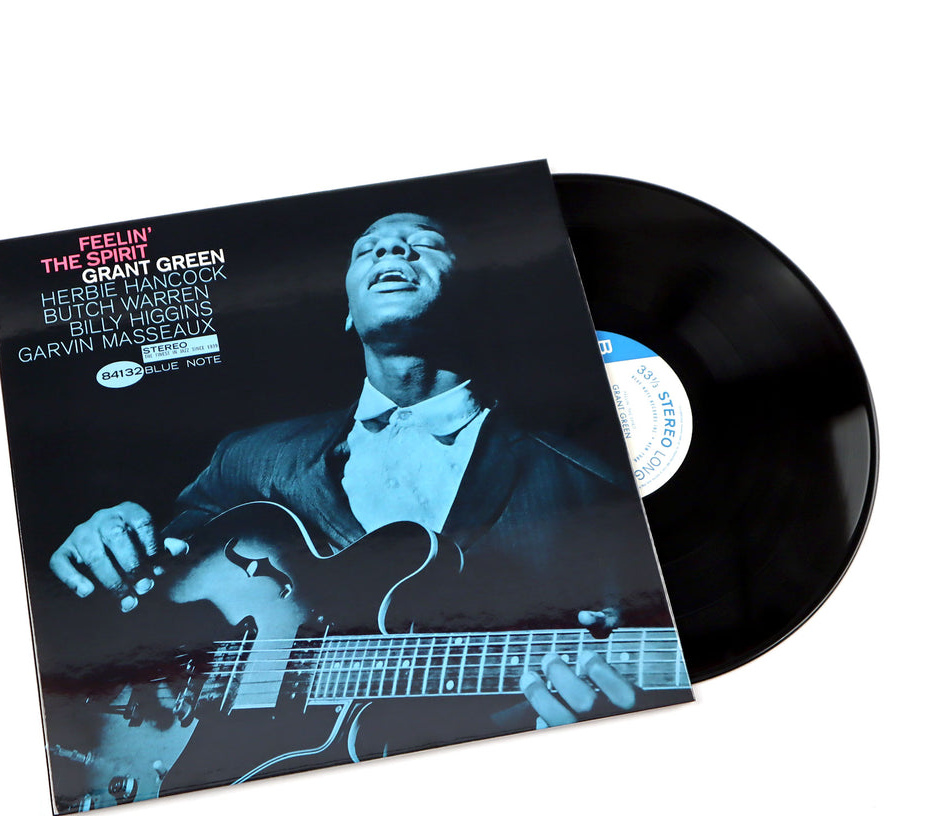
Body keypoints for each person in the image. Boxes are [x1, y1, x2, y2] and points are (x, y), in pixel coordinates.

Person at [51, 212, 667, 749]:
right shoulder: (250, 456)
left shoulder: (592, 486)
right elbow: (153, 579)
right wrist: (105, 538)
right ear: (348, 311)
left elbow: (614, 650)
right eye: (366, 248)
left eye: (425, 242)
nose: (391, 249)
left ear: (477, 294)